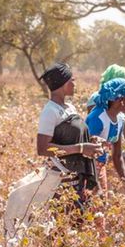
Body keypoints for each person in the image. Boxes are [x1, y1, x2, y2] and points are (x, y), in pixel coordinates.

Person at [36, 63, 101, 208]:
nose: (74, 83)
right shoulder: (50, 112)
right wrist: (81, 148)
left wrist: (90, 141)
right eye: (72, 80)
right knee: (64, 220)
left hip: (77, 176)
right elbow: (43, 148)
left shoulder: (70, 108)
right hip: (62, 178)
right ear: (62, 84)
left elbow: (72, 136)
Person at [86, 77, 125, 195]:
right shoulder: (97, 118)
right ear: (120, 100)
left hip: (100, 167)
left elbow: (117, 156)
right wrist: (96, 185)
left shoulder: (120, 120)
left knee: (101, 206)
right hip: (86, 170)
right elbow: (86, 155)